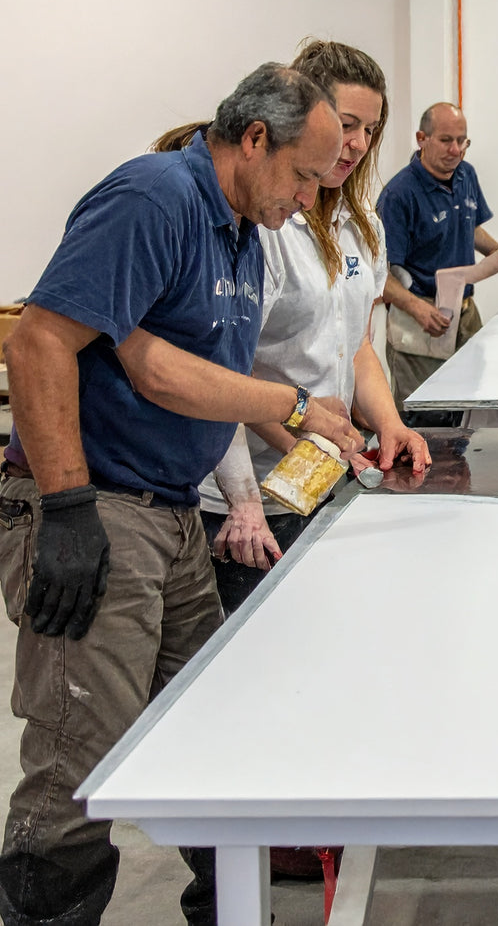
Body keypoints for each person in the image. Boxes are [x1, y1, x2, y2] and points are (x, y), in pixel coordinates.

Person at [0, 64, 367, 926]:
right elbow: (36, 344)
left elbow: (180, 372)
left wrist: (311, 432)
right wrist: (67, 509)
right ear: (254, 140)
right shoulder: (154, 200)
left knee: (210, 728)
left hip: (170, 511)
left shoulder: (238, 230)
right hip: (100, 504)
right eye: (304, 175)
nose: (307, 199)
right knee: (81, 757)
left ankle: (227, 909)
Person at [162, 41, 429, 613]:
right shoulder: (264, 221)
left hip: (322, 474)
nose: (357, 144)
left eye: (371, 130)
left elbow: (357, 344)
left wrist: (389, 425)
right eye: (347, 125)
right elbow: (222, 371)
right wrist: (303, 446)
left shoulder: (363, 223)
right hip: (249, 491)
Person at [376, 102, 498, 419]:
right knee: (426, 416)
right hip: (421, 318)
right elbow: (379, 275)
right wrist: (418, 308)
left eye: (463, 141)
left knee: (471, 407)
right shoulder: (398, 195)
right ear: (422, 139)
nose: (456, 150)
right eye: (447, 140)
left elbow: (468, 227)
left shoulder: (465, 174)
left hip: (464, 313)